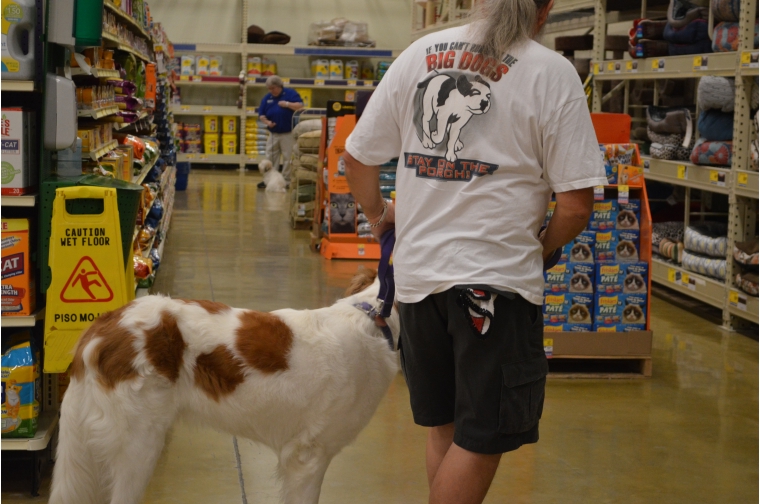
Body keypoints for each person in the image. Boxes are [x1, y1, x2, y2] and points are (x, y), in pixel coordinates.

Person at [342, 0, 607, 503]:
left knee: (444, 424)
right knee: (483, 437)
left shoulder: (418, 53)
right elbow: (575, 207)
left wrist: (380, 219)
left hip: (418, 283)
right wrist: (540, 251)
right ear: (546, 9)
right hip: (494, 284)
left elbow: (357, 159)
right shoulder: (551, 72)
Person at [257, 75, 304, 188]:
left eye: (273, 88)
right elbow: (261, 115)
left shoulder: (290, 93)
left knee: (288, 157)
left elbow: (300, 107)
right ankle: (269, 180)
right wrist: (267, 122)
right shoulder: (267, 98)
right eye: (269, 89)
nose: (271, 91)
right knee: (271, 157)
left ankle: (286, 181)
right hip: (273, 133)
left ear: (279, 86)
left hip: (288, 133)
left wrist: (287, 104)